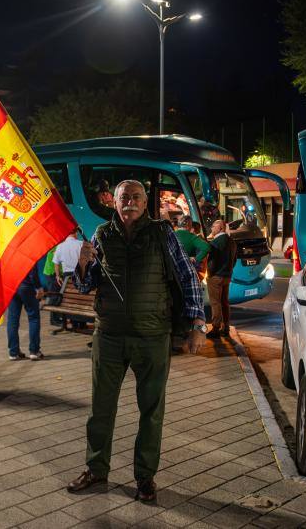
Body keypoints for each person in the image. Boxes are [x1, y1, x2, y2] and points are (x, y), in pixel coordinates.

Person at [66, 180, 206, 502]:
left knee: (151, 410)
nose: (129, 201)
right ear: (114, 203)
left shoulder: (162, 232)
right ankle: (96, 468)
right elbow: (86, 286)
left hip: (152, 337)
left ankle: (145, 477)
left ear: (145, 203)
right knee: (101, 408)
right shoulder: (101, 235)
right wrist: (84, 262)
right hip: (110, 337)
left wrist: (198, 323)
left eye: (136, 197)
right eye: (123, 197)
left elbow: (188, 276)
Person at [6, 267, 45, 360]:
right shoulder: (28, 253)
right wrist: (39, 288)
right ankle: (34, 351)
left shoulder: (7, 253)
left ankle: (13, 352)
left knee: (12, 320)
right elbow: (33, 274)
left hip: (12, 287)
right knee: (34, 318)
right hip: (27, 287)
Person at [207, 219, 236, 338]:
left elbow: (212, 262)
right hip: (227, 276)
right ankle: (226, 327)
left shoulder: (215, 243)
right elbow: (234, 259)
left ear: (220, 228)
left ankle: (215, 328)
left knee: (215, 302)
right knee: (224, 302)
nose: (211, 229)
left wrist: (210, 274)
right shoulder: (232, 242)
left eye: (213, 226)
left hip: (216, 276)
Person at [53, 229, 86, 329]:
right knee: (80, 298)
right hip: (80, 274)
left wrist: (58, 276)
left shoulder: (60, 246)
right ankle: (81, 322)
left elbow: (56, 262)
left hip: (67, 277)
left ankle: (73, 321)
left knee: (69, 299)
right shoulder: (81, 244)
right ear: (76, 233)